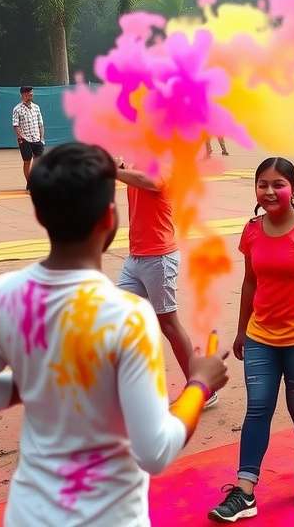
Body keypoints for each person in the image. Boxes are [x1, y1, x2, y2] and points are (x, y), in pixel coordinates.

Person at [0, 142, 229, 526]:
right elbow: (155, 452)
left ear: (40, 214)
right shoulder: (128, 316)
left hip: (29, 515)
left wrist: (41, 376)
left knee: (167, 319)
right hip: (110, 517)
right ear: (110, 219)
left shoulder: (3, 293)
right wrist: (199, 385)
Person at [209, 157, 294, 523]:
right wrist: (241, 329)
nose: (269, 191)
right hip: (260, 337)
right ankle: (244, 490)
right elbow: (250, 283)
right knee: (258, 408)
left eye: (278, 184)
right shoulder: (252, 230)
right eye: (262, 184)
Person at [114, 160, 217, 407]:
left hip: (158, 258)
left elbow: (150, 182)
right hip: (136, 257)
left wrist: (115, 170)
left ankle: (202, 389)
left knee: (169, 324)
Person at [12, 86, 45, 191]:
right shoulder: (17, 108)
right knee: (27, 161)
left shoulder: (36, 107)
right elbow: (15, 125)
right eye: (29, 93)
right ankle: (29, 184)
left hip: (37, 138)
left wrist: (42, 137)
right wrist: (20, 136)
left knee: (38, 161)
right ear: (23, 95)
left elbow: (41, 124)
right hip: (25, 139)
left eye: (32, 93)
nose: (31, 95)